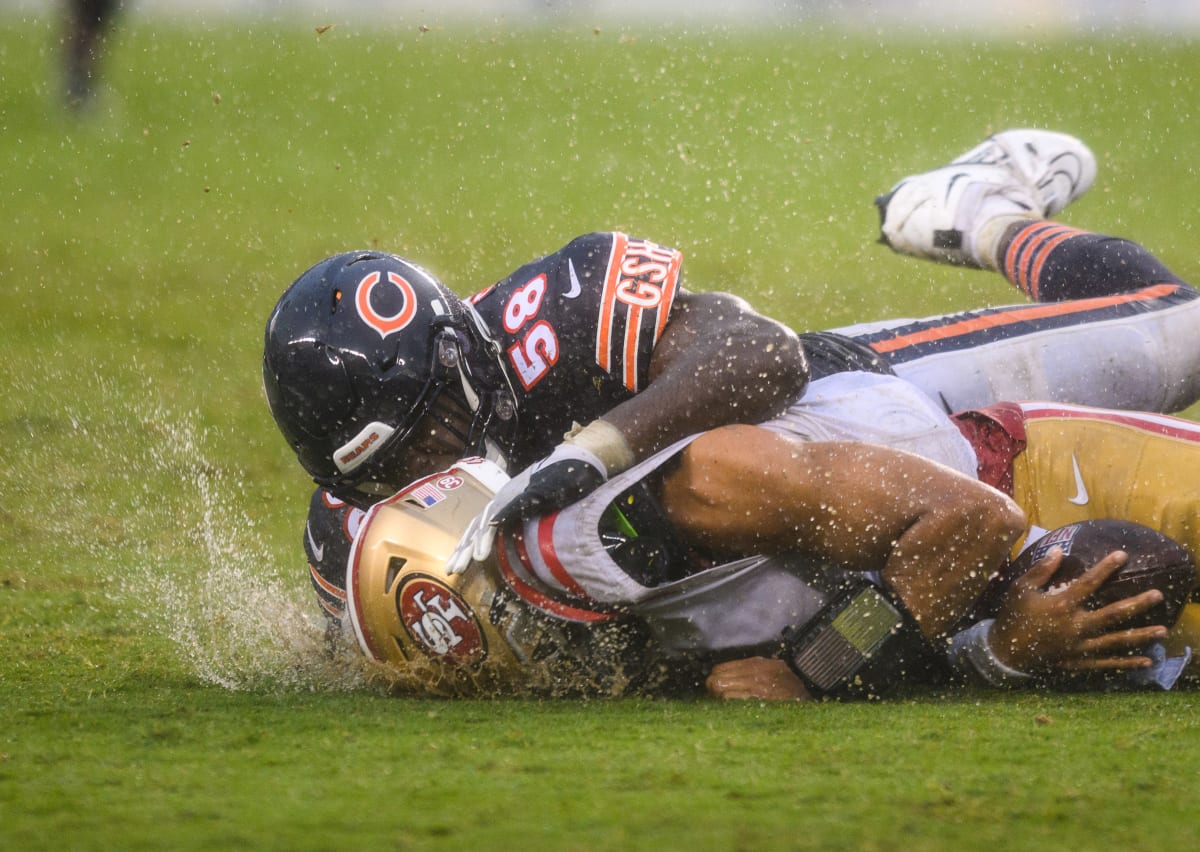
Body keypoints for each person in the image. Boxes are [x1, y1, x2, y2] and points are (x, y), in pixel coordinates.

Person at [264, 128, 1200, 621]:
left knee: (1181, 332)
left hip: (861, 401)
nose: (418, 472)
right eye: (382, 467)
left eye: (425, 434)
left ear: (461, 364)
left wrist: (595, 449)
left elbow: (765, 354)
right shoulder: (356, 518)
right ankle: (986, 207)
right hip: (789, 536)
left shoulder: (551, 313)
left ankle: (982, 215)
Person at [342, 381, 1190, 701]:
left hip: (1028, 477)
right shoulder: (604, 599)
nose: (537, 665)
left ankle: (988, 217)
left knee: (1134, 562)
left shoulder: (696, 489)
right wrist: (999, 656)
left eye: (512, 634)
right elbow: (911, 640)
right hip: (976, 582)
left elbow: (974, 527)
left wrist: (812, 670)